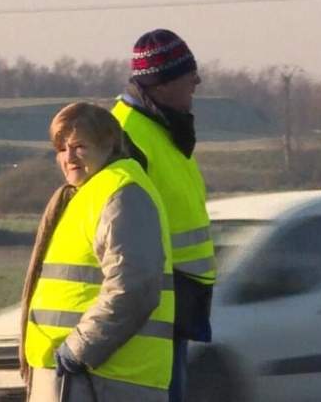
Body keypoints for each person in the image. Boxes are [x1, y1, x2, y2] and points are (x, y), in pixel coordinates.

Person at [20, 102, 175, 402]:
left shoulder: (121, 193)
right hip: (82, 376)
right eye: (61, 148)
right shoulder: (91, 192)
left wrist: (78, 350)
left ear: (109, 144)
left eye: (79, 145)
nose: (68, 157)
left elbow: (134, 287)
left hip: (105, 378)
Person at [111, 29, 216, 402]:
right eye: (190, 74)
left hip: (176, 300)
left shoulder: (164, 127)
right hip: (152, 305)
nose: (197, 81)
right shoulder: (125, 135)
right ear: (162, 83)